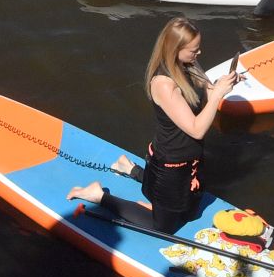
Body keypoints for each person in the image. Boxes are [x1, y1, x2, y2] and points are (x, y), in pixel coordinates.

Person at [64, 17, 244, 232]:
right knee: (163, 227)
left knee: (191, 213)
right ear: (174, 49)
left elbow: (207, 94)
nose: (199, 54)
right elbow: (197, 129)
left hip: (193, 161)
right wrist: (218, 97)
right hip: (171, 166)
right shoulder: (164, 85)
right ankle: (99, 195)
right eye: (194, 50)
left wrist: (223, 86)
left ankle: (130, 169)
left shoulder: (189, 64)